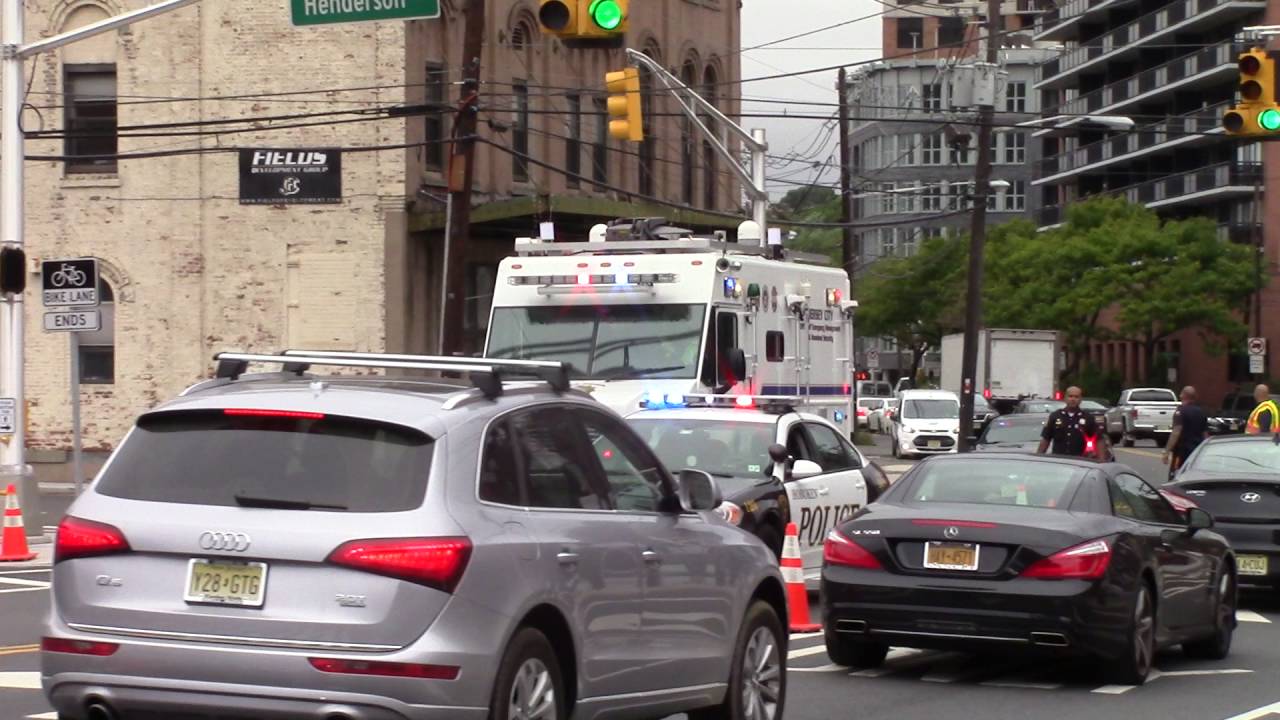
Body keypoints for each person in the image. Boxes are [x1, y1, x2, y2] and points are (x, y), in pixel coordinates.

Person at [1037, 386, 1109, 459]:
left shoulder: (1088, 418)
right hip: (1059, 461)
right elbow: (1046, 439)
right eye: (1070, 396)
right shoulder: (1055, 416)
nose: (1073, 399)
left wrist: (1101, 460)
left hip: (1080, 462)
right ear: (1065, 398)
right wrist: (1038, 458)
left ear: (1080, 399)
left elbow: (1099, 440)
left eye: (1076, 397)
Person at [1163, 386, 1207, 480]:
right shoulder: (1201, 412)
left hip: (1181, 452)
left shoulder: (1180, 411)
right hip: (1197, 452)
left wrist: (1167, 451)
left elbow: (1176, 432)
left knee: (1176, 477)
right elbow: (1205, 434)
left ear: (1182, 395)